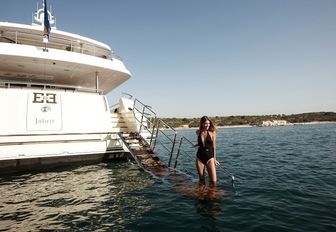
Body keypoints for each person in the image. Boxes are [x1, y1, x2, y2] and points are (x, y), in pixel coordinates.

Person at [194, 116, 219, 186]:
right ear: (202, 124)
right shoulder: (198, 132)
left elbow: (213, 146)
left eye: (208, 123)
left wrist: (214, 159)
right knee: (201, 180)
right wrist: (196, 145)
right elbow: (202, 143)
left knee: (214, 181)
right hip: (199, 157)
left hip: (209, 157)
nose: (207, 125)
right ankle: (201, 195)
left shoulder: (213, 132)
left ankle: (212, 195)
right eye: (205, 123)